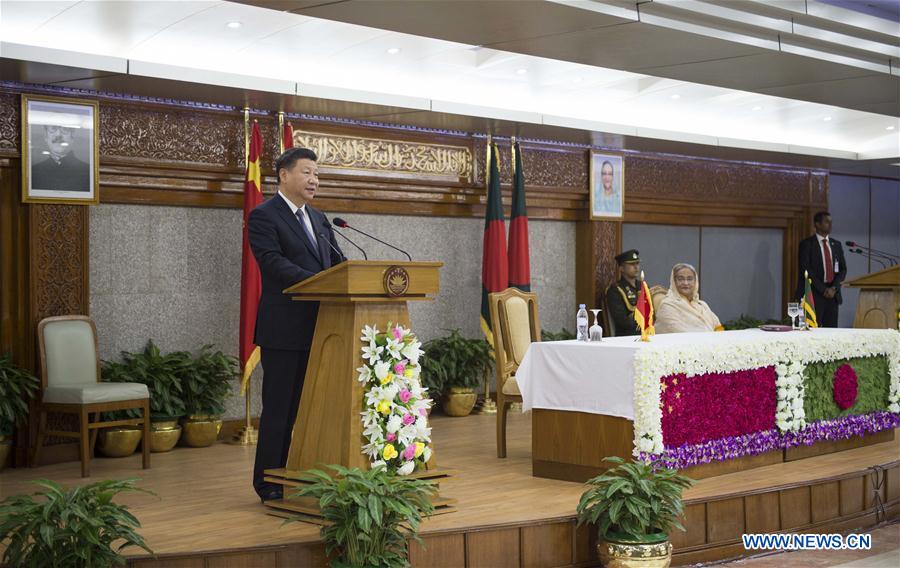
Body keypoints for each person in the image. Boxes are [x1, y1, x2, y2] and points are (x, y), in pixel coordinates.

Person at [247, 147, 344, 503]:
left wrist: (347, 277)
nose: (314, 180)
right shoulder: (263, 216)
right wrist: (318, 283)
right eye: (307, 172)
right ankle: (269, 481)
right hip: (284, 330)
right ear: (283, 175)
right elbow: (272, 263)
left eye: (317, 174)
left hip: (323, 329)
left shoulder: (319, 219)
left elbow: (338, 263)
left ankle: (304, 473)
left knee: (313, 408)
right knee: (279, 409)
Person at [796, 211, 846, 327]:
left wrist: (833, 288)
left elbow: (842, 270)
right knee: (812, 331)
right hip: (813, 295)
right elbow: (806, 270)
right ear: (817, 224)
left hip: (833, 296)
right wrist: (823, 289)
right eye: (827, 222)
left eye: (831, 222)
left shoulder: (836, 245)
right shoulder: (807, 244)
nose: (830, 224)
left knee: (831, 332)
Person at [655, 263, 722, 334]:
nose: (686, 283)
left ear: (695, 282)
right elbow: (678, 332)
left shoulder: (702, 305)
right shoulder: (667, 305)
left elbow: (718, 327)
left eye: (689, 279)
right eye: (680, 279)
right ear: (674, 282)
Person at [31, 124, 91, 192]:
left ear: (72, 136)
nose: (58, 134)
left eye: (65, 129)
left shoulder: (88, 172)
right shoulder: (33, 172)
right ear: (45, 136)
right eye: (53, 128)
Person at [605, 249, 642, 336]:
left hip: (647, 333)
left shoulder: (643, 286)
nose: (636, 267)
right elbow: (623, 322)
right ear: (621, 268)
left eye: (637, 263)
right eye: (632, 264)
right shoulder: (615, 290)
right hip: (628, 336)